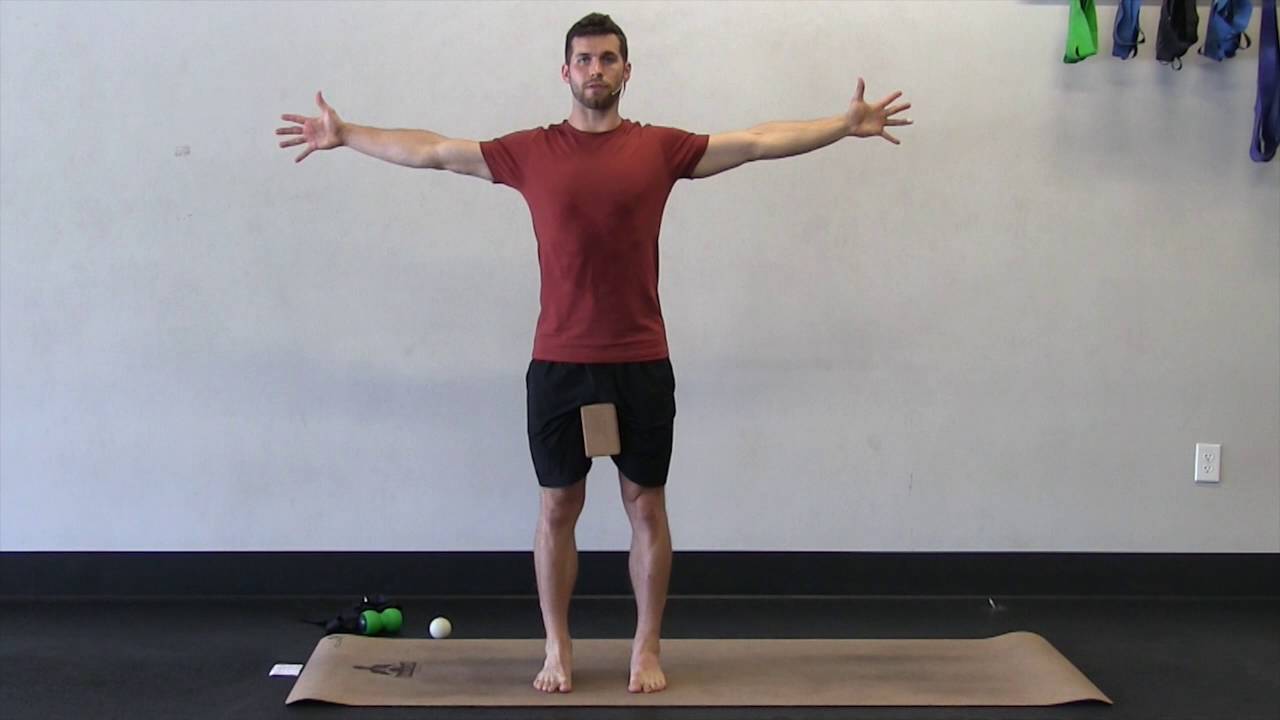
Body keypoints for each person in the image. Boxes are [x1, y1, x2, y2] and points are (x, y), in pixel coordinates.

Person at [276, 11, 911, 695]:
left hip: (640, 359)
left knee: (646, 506)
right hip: (559, 362)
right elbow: (432, 150)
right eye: (584, 59)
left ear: (626, 71)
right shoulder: (531, 152)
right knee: (558, 507)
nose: (597, 69)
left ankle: (645, 648)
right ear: (566, 72)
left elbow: (756, 141)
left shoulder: (660, 150)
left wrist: (842, 126)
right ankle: (557, 646)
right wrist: (346, 135)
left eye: (609, 58)